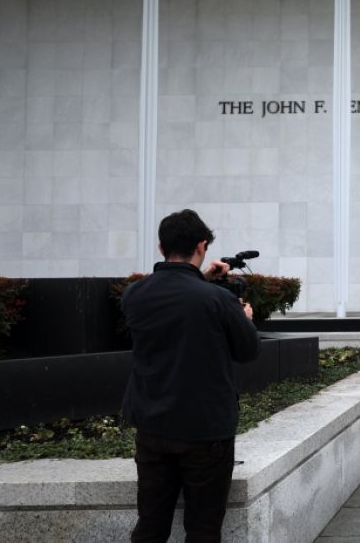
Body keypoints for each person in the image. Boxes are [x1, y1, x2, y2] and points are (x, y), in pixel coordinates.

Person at [122, 209, 260, 542]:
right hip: (205, 431)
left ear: (160, 247)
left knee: (151, 525)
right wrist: (245, 318)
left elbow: (178, 306)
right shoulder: (219, 300)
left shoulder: (134, 295)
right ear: (201, 246)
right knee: (203, 530)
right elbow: (247, 351)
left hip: (151, 426)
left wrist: (203, 281)